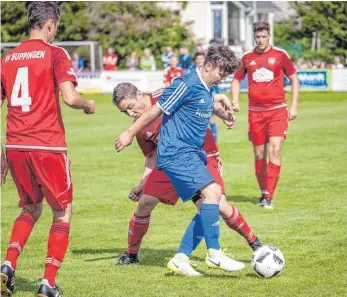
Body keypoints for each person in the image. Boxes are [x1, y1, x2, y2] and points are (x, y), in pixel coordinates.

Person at [115, 44, 242, 274]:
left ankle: (182, 259)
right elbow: (155, 112)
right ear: (209, 65)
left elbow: (202, 104)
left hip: (191, 154)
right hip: (177, 154)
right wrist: (130, 132)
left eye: (226, 76)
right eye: (221, 74)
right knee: (212, 195)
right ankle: (214, 254)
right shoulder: (186, 83)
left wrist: (223, 112)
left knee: (209, 201)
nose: (222, 79)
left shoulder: (205, 87)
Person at [0, 2, 96, 296]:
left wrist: (2, 153)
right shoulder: (55, 53)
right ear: (51, 24)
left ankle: (6, 266)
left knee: (31, 206)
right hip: (47, 145)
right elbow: (69, 97)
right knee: (62, 211)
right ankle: (47, 284)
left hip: (15, 144)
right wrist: (87, 104)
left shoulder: (7, 58)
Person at [231, 21, 300, 209]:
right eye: (258, 37)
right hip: (255, 113)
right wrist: (235, 101)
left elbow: (294, 79)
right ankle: (263, 193)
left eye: (264, 36)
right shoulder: (246, 57)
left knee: (275, 150)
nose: (261, 40)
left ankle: (269, 196)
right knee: (259, 154)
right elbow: (236, 80)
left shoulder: (280, 55)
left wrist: (293, 106)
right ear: (254, 36)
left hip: (277, 110)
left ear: (269, 35)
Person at [194, 52, 218, 142]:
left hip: (207, 100)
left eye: (201, 59)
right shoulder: (191, 72)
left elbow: (215, 87)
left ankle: (214, 142)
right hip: (196, 102)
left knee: (211, 120)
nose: (200, 60)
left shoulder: (209, 73)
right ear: (195, 60)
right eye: (198, 59)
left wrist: (218, 97)